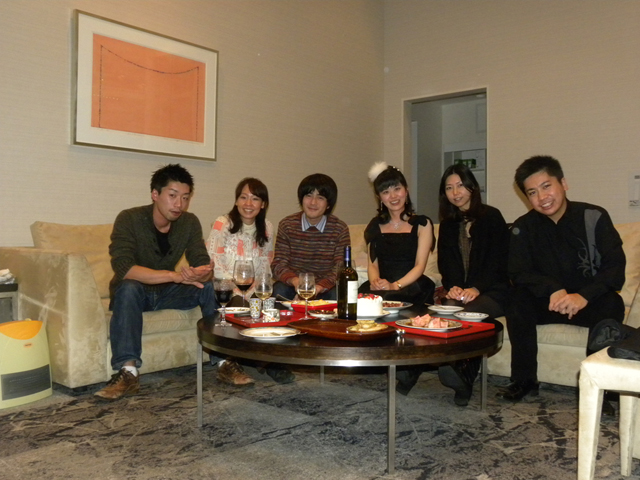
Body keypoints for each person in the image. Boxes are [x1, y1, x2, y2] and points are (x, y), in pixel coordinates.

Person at [497, 155, 626, 404]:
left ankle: (600, 387)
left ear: (563, 183)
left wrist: (584, 296)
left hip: (588, 302)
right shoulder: (523, 227)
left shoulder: (593, 216)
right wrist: (553, 289)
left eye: (546, 186)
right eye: (532, 192)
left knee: (612, 303)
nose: (542, 197)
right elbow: (518, 272)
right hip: (549, 302)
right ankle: (524, 380)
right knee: (517, 300)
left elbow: (615, 268)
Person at [96, 164, 221, 400]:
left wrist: (202, 273)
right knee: (129, 287)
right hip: (134, 295)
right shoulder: (129, 219)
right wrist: (174, 276)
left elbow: (202, 262)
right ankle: (128, 373)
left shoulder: (189, 222)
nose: (179, 204)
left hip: (167, 294)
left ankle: (225, 361)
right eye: (172, 196)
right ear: (155, 194)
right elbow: (124, 269)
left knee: (209, 287)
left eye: (185, 198)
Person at [436, 163, 510, 406]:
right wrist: (454, 286)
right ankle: (446, 365)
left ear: (472, 187)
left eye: (460, 185)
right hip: (463, 291)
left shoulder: (492, 216)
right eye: (449, 188)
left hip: (494, 290)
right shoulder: (448, 223)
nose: (455, 192)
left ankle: (462, 377)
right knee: (446, 309)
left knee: (470, 313)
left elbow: (500, 262)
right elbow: (446, 262)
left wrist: (477, 288)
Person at [206, 178, 292, 384]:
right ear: (236, 201)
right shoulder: (223, 223)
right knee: (244, 309)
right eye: (243, 197)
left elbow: (266, 264)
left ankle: (272, 359)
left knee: (274, 309)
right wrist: (238, 288)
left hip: (254, 288)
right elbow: (214, 262)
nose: (248, 203)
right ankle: (263, 363)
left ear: (263, 204)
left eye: (255, 199)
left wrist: (257, 288)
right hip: (226, 287)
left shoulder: (267, 227)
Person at [359, 162, 435, 306]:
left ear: (406, 190)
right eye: (385, 192)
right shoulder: (374, 225)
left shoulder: (422, 224)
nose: (393, 196)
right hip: (383, 286)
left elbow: (420, 266)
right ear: (379, 197)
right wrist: (376, 283)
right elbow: (373, 265)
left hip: (411, 286)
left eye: (397, 189)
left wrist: (395, 285)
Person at [272, 173, 350, 301]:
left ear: (328, 204)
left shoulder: (339, 229)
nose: (313, 202)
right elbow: (278, 264)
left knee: (339, 293)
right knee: (278, 289)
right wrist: (296, 282)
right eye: (308, 196)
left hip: (325, 287)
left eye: (320, 197)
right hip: (294, 285)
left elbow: (340, 268)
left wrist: (318, 288)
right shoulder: (287, 225)